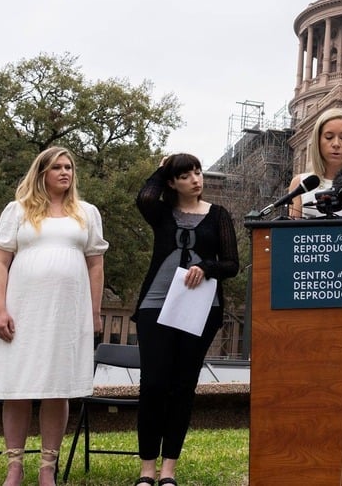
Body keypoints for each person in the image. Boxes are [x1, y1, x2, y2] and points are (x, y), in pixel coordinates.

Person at [0, 146, 108, 486]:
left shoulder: (87, 213)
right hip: (23, 310)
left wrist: (94, 313)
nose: (65, 172)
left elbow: (95, 265)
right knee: (18, 386)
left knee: (58, 387)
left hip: (67, 313)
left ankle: (47, 467)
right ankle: (14, 466)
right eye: (57, 167)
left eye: (68, 167)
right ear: (42, 173)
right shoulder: (17, 210)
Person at [134, 153, 239, 486]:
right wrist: (163, 165)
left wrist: (206, 267)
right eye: (185, 175)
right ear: (172, 182)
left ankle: (168, 470)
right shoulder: (162, 213)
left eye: (198, 172)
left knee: (182, 387)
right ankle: (146, 470)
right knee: (153, 385)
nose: (196, 179)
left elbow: (231, 264)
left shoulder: (218, 215)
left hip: (201, 309)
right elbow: (145, 197)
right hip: (155, 306)